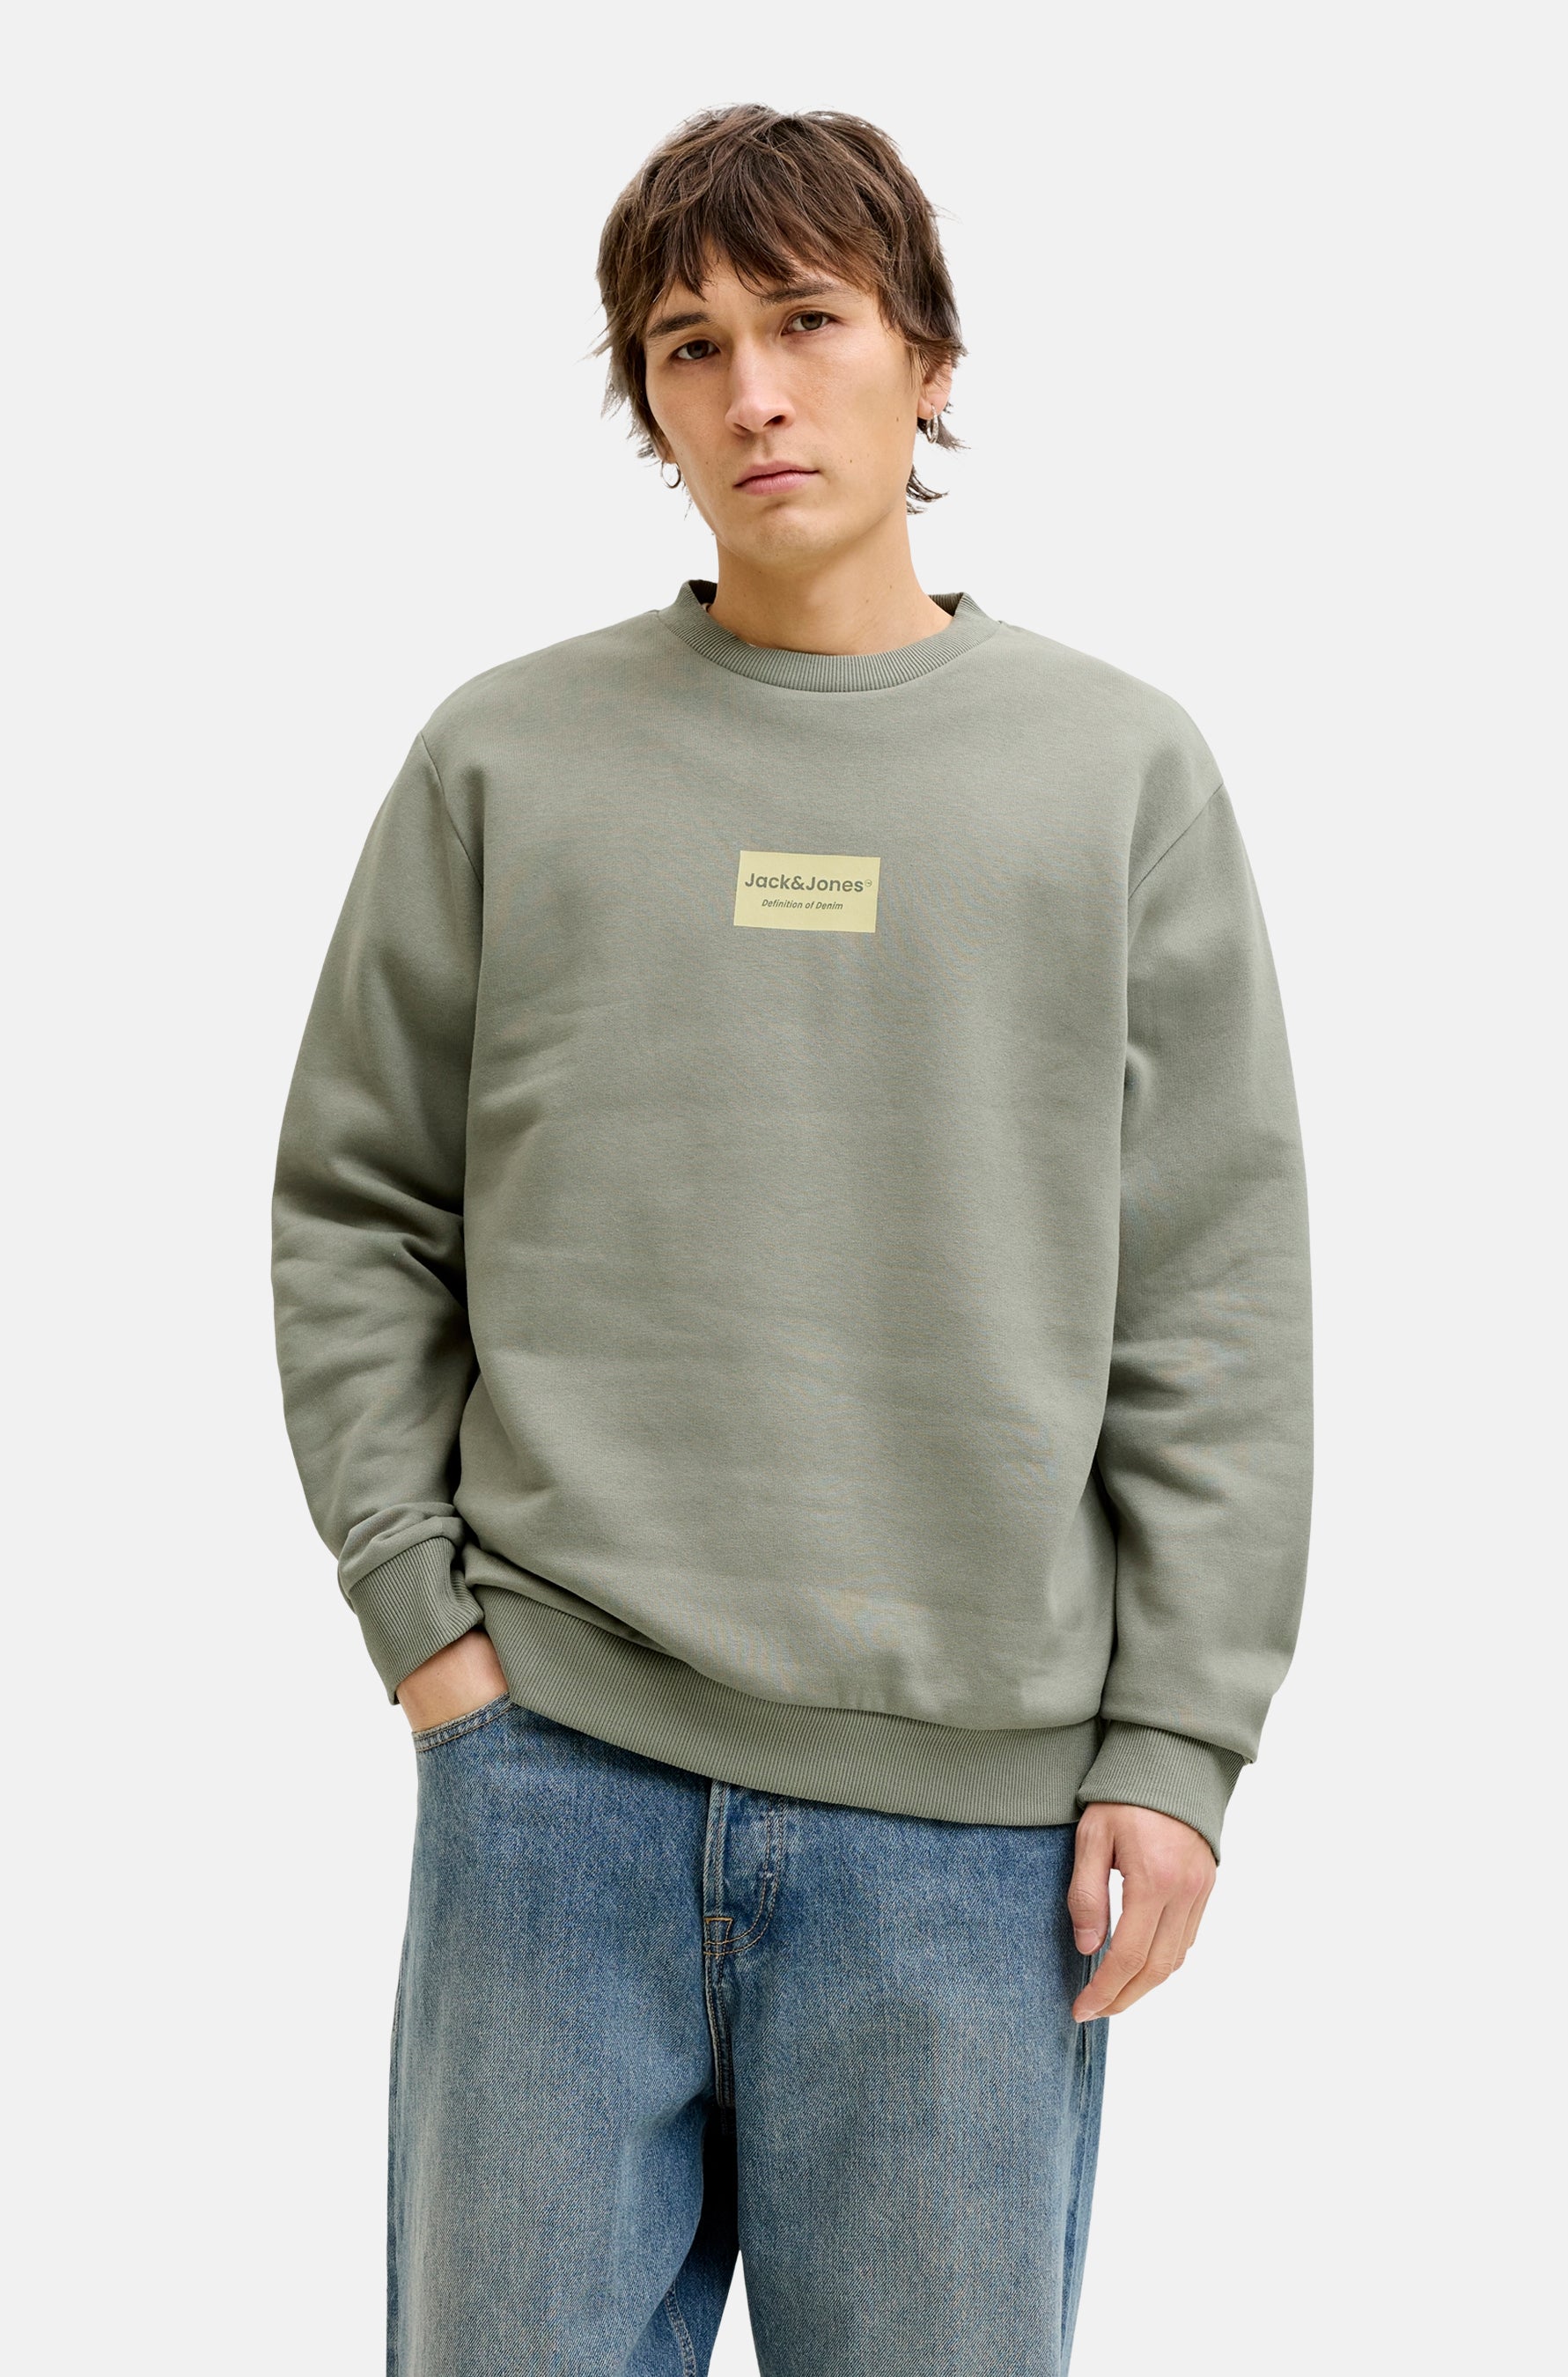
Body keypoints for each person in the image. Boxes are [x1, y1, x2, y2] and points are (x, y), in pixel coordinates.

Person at [270, 102, 1313, 2377]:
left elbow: (1215, 1295)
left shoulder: (1116, 774)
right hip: (555, 1771)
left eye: (809, 321)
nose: (753, 390)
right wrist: (428, 1628)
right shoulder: (506, 761)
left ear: (927, 359)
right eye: (689, 344)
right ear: (645, 405)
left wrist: (1176, 1743)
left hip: (973, 1829)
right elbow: (357, 1205)